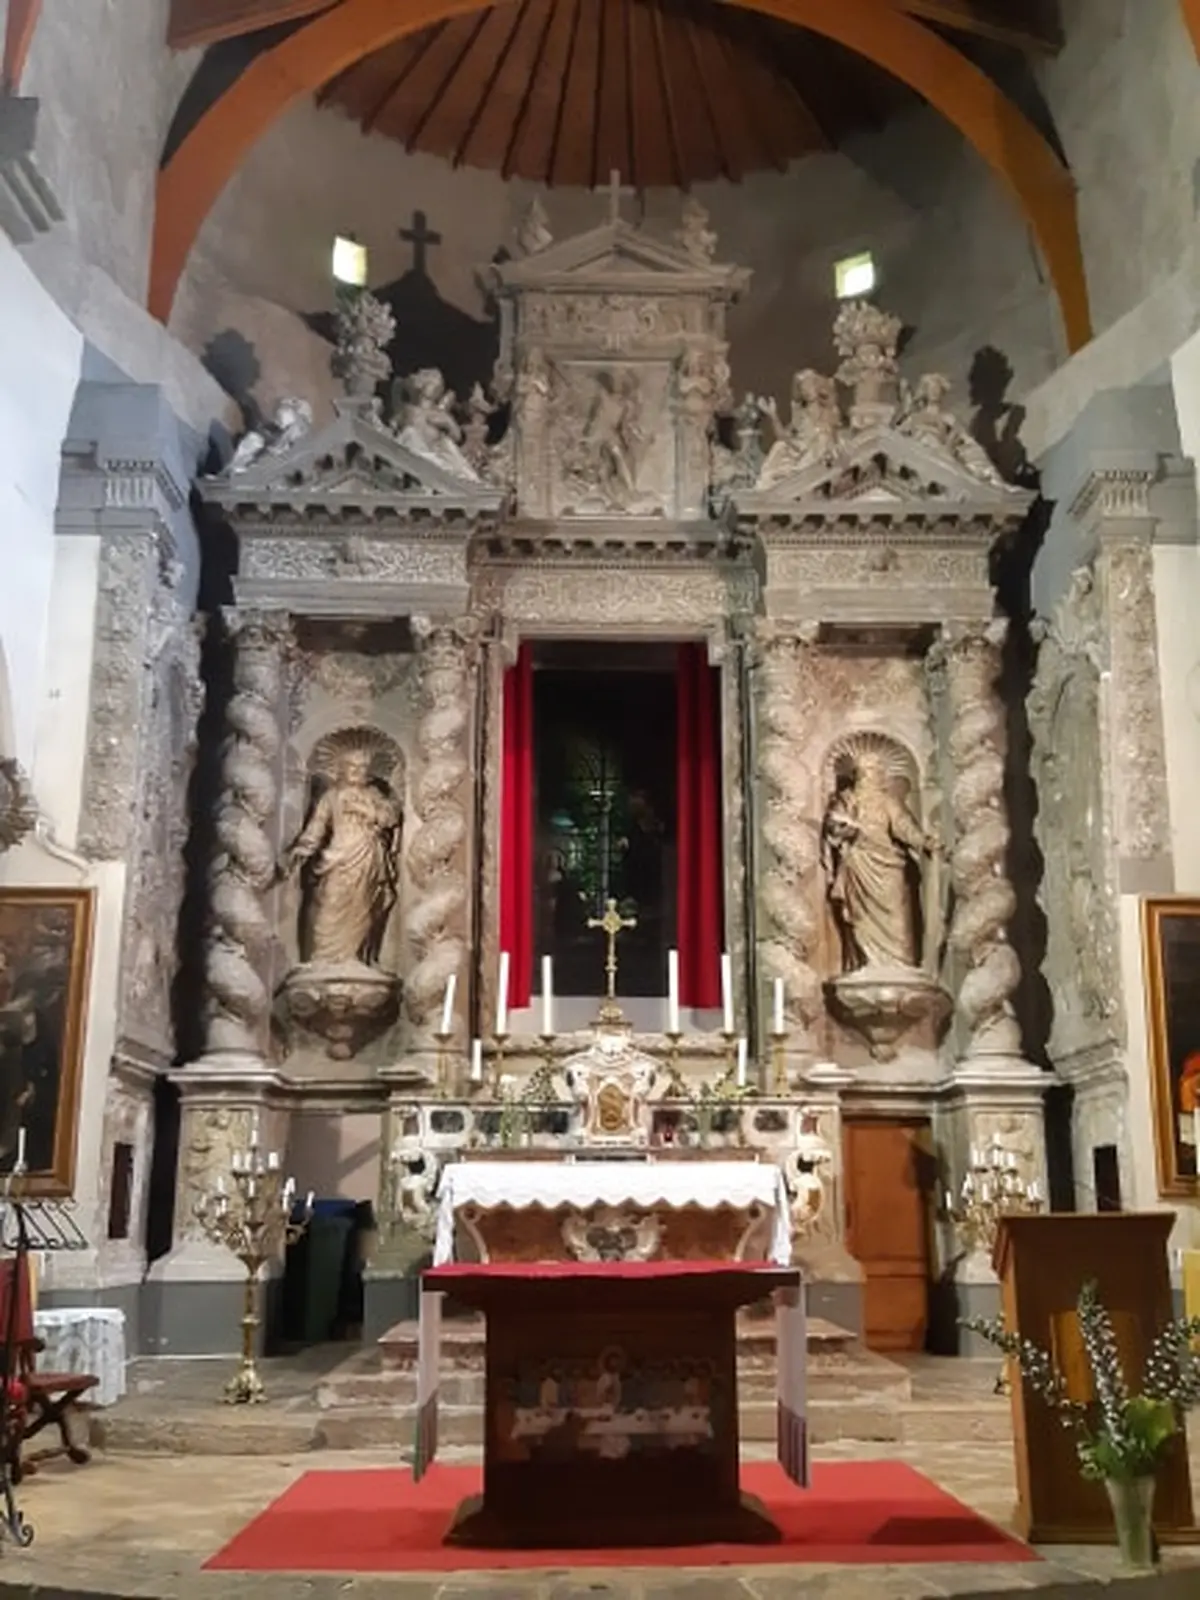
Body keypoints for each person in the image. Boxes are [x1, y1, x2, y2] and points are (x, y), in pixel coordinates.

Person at [283, 748, 402, 967]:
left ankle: (354, 958)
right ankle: (323, 958)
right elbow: (316, 828)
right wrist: (301, 850)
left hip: (366, 857)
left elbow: (390, 817)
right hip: (337, 858)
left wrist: (367, 811)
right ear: (342, 769)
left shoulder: (374, 795)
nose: (358, 771)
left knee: (363, 906)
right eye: (353, 766)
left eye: (363, 767)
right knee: (330, 903)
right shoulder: (331, 797)